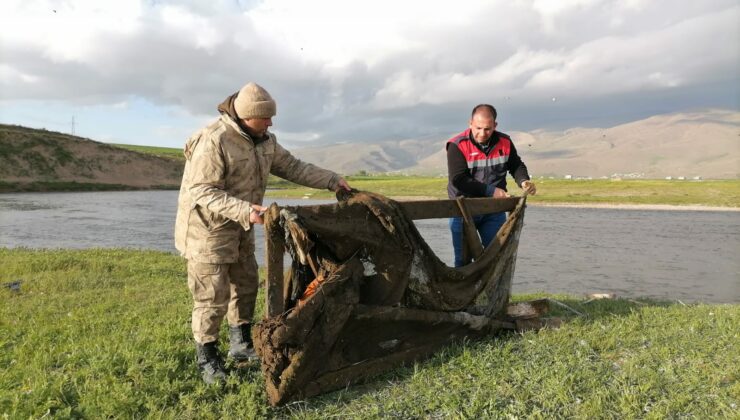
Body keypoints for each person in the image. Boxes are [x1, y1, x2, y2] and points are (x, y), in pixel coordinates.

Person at [174, 82, 351, 384]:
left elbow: (294, 167)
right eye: (265, 118)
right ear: (246, 116)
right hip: (207, 232)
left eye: (271, 118)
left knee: (245, 285)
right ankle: (207, 357)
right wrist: (246, 210)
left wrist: (332, 180)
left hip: (241, 229)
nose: (270, 123)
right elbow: (201, 190)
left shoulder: (265, 141)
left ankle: (240, 344)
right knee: (211, 296)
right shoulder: (213, 140)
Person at [446, 104, 536, 267]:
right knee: (462, 261)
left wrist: (523, 180)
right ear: (470, 124)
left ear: (495, 125)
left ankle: (488, 292)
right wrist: (491, 190)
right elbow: (458, 179)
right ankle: (465, 292)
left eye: (487, 129)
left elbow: (515, 165)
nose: (482, 134)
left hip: (493, 210)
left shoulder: (505, 142)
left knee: (494, 257)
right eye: (478, 128)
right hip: (463, 210)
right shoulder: (457, 145)